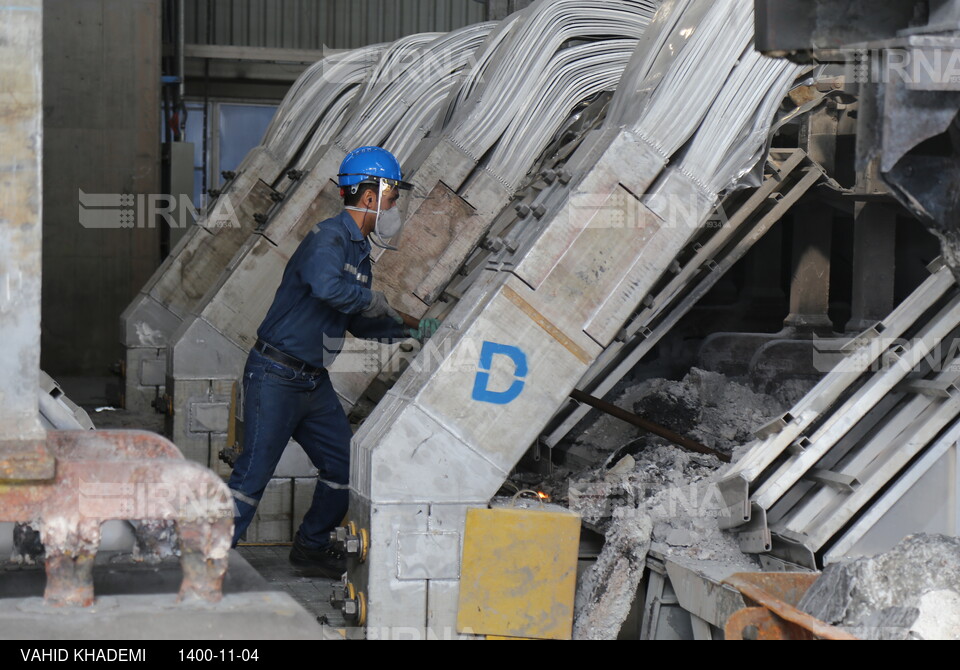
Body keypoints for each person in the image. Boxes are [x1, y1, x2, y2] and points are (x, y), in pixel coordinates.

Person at [227, 146, 440, 577]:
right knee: (252, 477)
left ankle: (311, 545)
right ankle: (204, 563)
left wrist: (408, 330)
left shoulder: (359, 253)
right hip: (275, 375)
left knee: (346, 468)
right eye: (393, 197)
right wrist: (379, 301)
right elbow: (326, 288)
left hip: (311, 382)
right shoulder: (328, 238)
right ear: (368, 196)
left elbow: (356, 323)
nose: (394, 207)